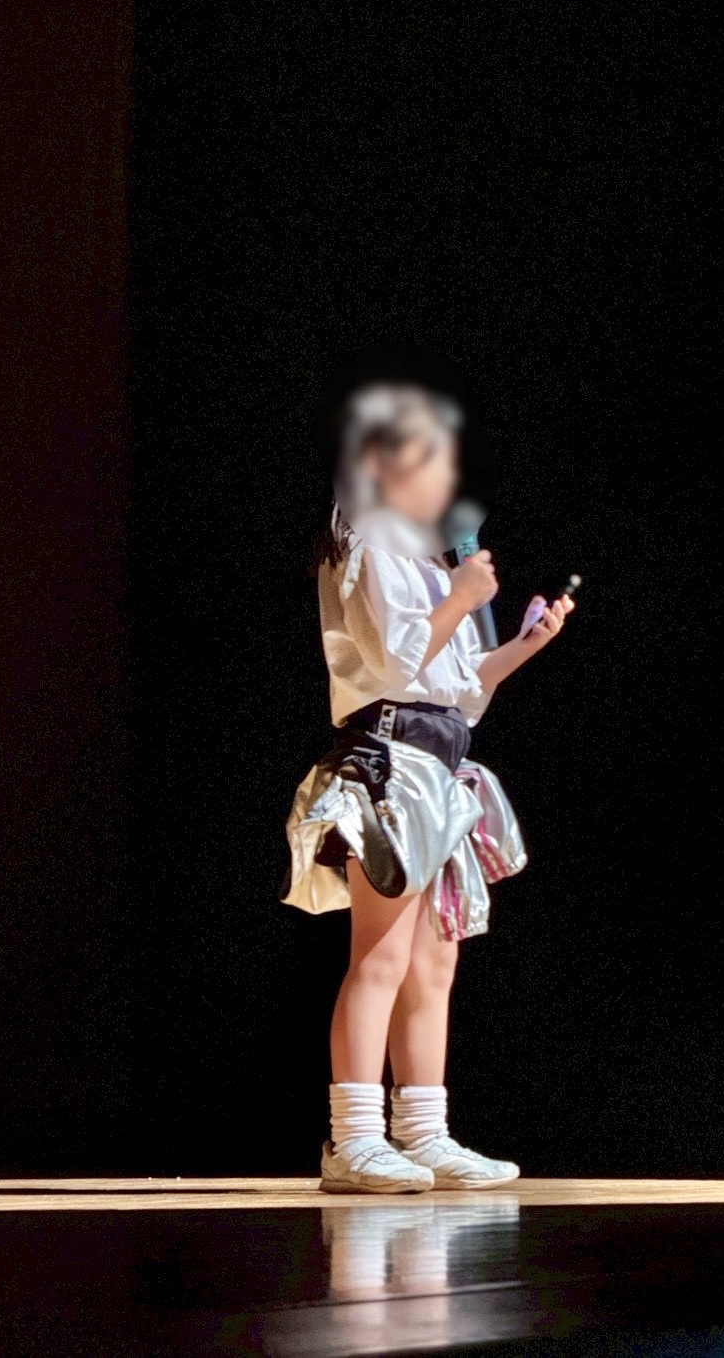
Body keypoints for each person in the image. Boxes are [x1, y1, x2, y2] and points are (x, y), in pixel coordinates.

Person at [281, 365, 575, 1194]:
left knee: (433, 964)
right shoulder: (369, 545)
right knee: (379, 956)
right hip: (390, 764)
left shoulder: (429, 561)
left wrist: (524, 644)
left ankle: (425, 1129)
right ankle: (353, 1136)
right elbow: (395, 661)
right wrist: (460, 592)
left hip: (440, 768)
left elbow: (462, 690)